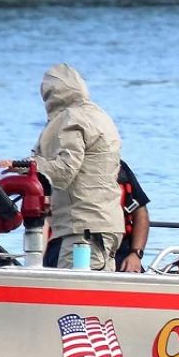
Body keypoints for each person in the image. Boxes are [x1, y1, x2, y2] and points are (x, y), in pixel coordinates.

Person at [35, 63, 124, 270]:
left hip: (82, 231)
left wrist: (27, 167)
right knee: (98, 295)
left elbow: (65, 171)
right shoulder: (99, 115)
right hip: (104, 225)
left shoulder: (71, 119)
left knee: (72, 298)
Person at [115, 160, 151, 273]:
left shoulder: (119, 167)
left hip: (122, 254)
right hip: (71, 247)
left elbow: (140, 212)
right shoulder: (63, 168)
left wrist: (135, 254)